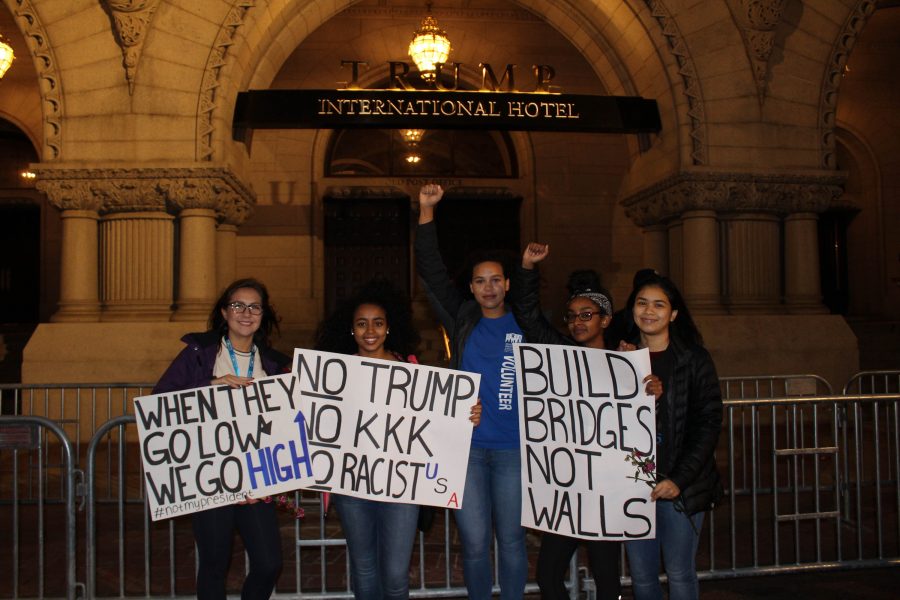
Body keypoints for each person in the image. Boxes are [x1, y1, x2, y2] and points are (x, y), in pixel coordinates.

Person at [315, 278, 481, 600]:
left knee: (394, 577)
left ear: (388, 327)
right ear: (351, 330)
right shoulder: (334, 374)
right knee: (364, 571)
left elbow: (436, 421)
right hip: (352, 485)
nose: (370, 330)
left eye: (377, 323)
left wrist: (467, 416)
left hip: (401, 489)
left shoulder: (411, 369)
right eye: (361, 324)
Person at [514, 243, 656, 600]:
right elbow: (529, 316)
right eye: (572, 315)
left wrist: (650, 386)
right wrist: (528, 270)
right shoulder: (558, 355)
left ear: (605, 319)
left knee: (607, 580)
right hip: (566, 489)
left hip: (605, 492)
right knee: (548, 576)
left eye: (587, 315)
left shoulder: (626, 365)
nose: (577, 322)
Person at [415, 183, 527, 600]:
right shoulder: (461, 318)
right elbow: (429, 269)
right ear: (473, 288)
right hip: (469, 452)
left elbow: (574, 368)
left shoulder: (530, 326)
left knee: (513, 541)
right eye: (480, 281)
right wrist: (426, 212)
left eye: (496, 279)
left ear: (508, 284)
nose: (488, 287)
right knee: (476, 544)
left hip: (514, 450)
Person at [153, 278, 289, 600]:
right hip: (210, 477)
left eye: (254, 306)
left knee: (269, 563)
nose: (246, 313)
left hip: (256, 481)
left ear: (263, 314)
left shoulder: (275, 365)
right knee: (214, 563)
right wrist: (210, 384)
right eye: (237, 305)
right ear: (225, 313)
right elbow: (161, 399)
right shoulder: (198, 354)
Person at [621, 273, 723, 600]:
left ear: (673, 314)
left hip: (681, 488)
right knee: (642, 577)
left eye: (659, 304)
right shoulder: (618, 360)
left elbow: (707, 425)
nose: (649, 311)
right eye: (642, 303)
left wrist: (679, 479)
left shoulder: (694, 360)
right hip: (633, 488)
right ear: (632, 309)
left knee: (679, 574)